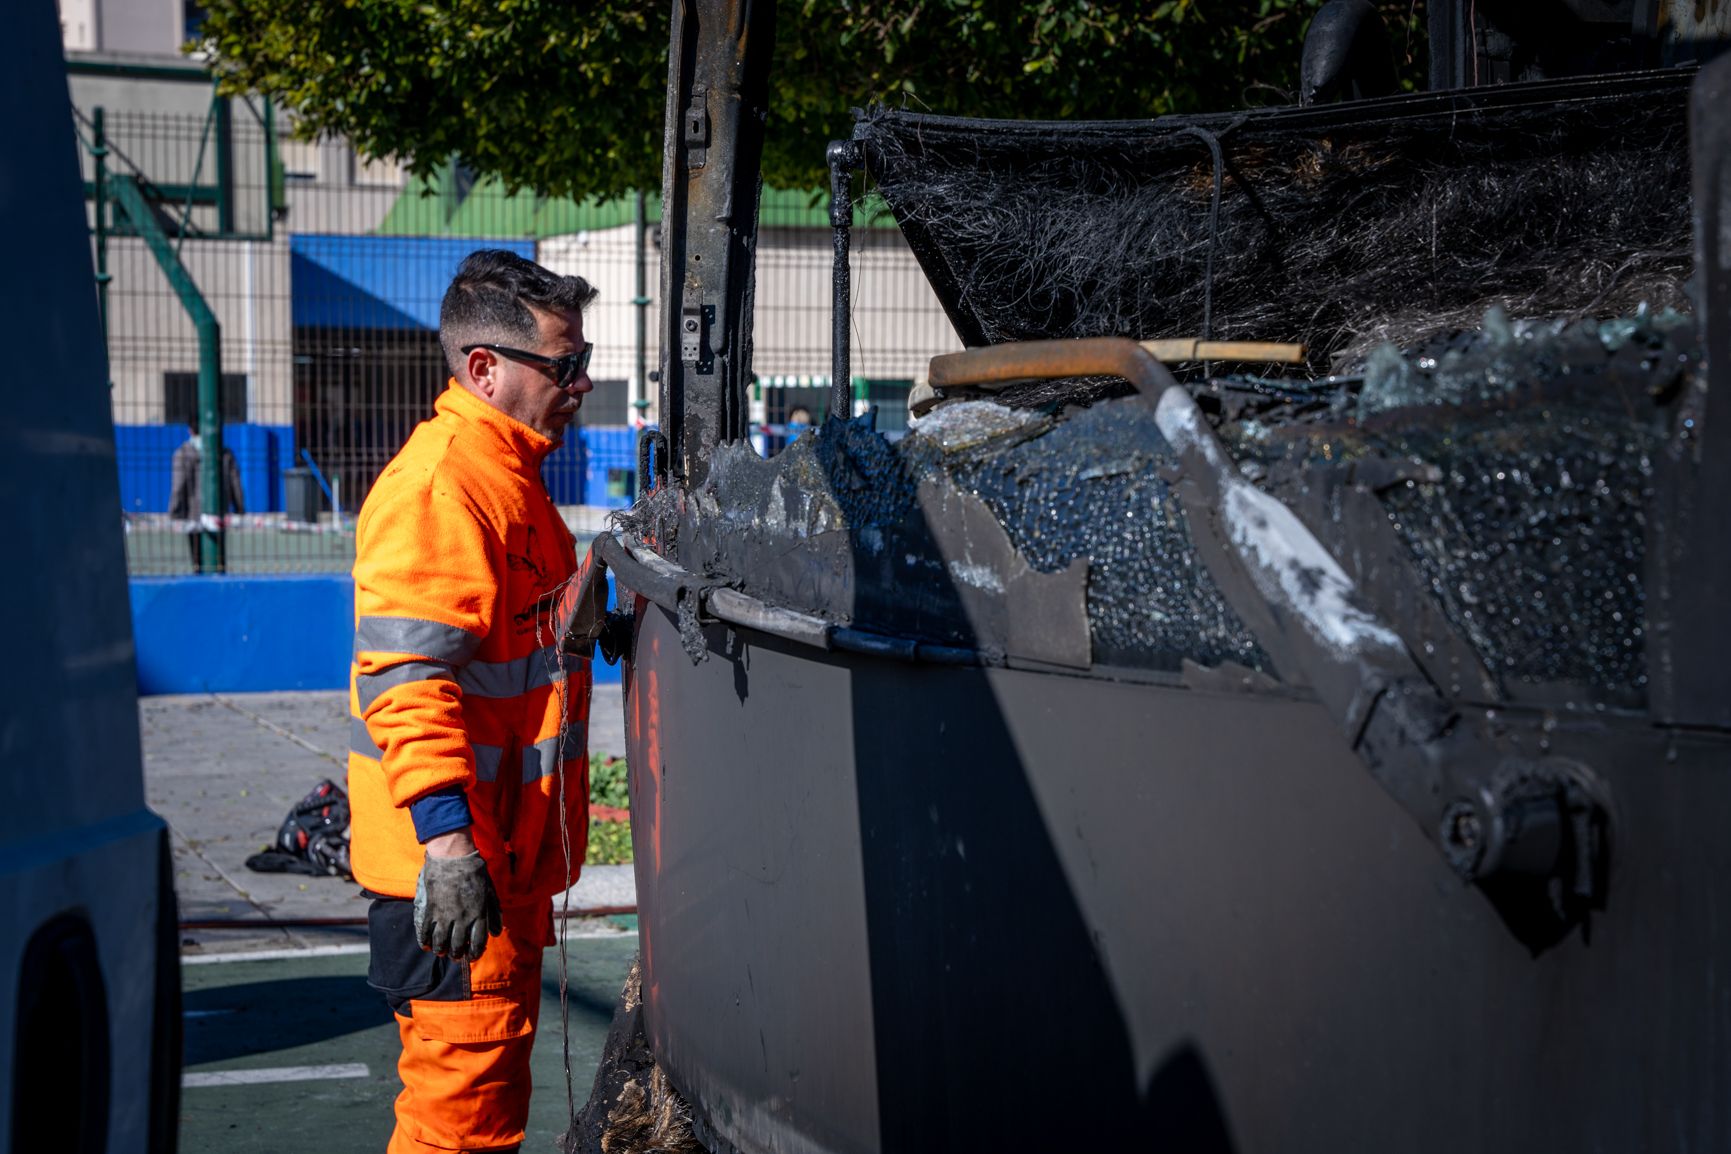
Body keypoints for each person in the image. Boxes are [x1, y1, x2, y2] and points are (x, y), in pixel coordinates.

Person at [348, 249, 609, 1153]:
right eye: (563, 365)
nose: (581, 383)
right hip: (456, 868)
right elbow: (407, 682)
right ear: (484, 368)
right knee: (458, 1124)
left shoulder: (510, 476)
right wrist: (450, 848)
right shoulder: (444, 485)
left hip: (499, 858)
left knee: (483, 1107)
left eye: (583, 360)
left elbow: (508, 641)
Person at [167, 422, 244, 568]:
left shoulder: (182, 454)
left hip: (192, 514)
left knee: (197, 559)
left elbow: (178, 485)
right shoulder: (225, 453)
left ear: (190, 430)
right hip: (219, 512)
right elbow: (236, 483)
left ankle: (198, 570)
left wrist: (174, 512)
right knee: (218, 558)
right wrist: (239, 508)